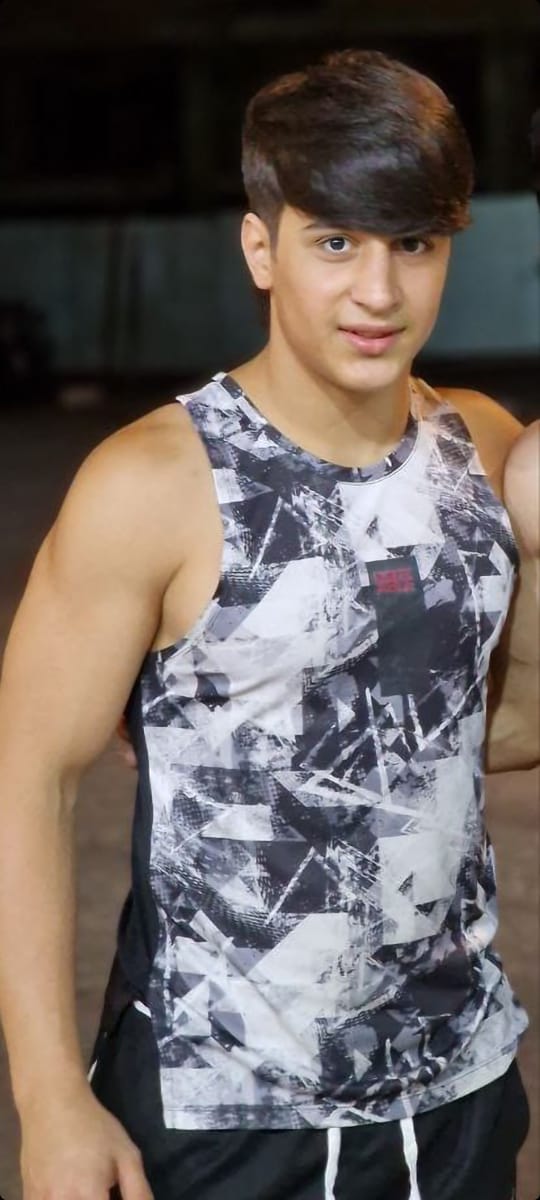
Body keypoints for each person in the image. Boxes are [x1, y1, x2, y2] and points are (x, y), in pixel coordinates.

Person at [0, 48, 538, 1200]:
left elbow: (492, 735)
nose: (378, 292)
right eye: (336, 242)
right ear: (262, 248)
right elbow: (27, 777)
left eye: (414, 244)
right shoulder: (152, 483)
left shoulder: (484, 449)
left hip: (458, 1094)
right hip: (227, 1111)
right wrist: (49, 1098)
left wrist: (533, 553)